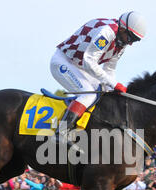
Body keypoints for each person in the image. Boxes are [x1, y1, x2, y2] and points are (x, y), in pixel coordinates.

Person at [50, 11, 147, 145]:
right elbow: (89, 61)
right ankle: (61, 132)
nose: (130, 43)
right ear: (123, 28)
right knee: (88, 95)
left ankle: (84, 132)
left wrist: (112, 89)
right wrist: (114, 84)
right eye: (130, 38)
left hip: (81, 67)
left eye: (134, 41)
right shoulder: (107, 33)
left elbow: (109, 70)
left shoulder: (121, 43)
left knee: (104, 94)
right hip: (63, 61)